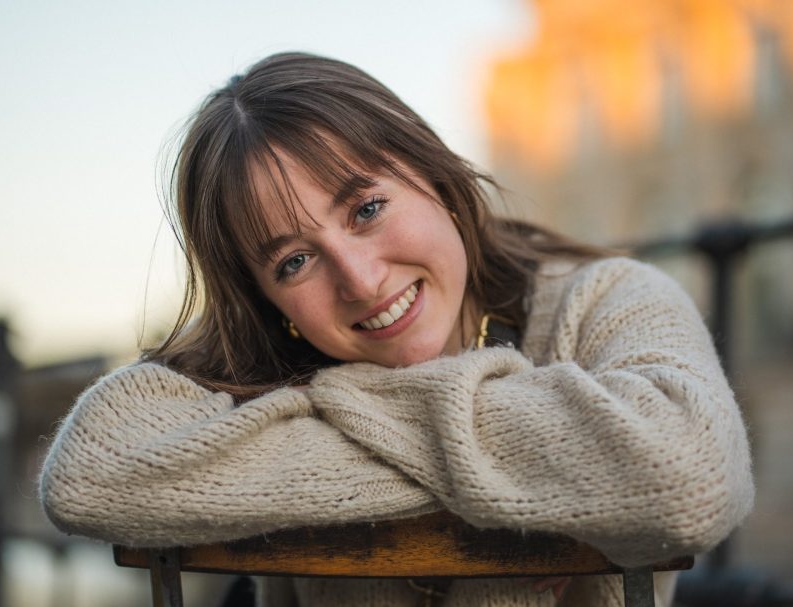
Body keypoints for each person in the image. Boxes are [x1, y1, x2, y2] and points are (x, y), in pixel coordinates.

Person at [39, 52, 754, 606]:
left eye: (366, 209)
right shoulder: (276, 357)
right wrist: (548, 468)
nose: (359, 280)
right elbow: (90, 472)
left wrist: (324, 414)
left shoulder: (605, 299)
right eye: (293, 261)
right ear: (268, 301)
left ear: (435, 177)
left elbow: (688, 474)